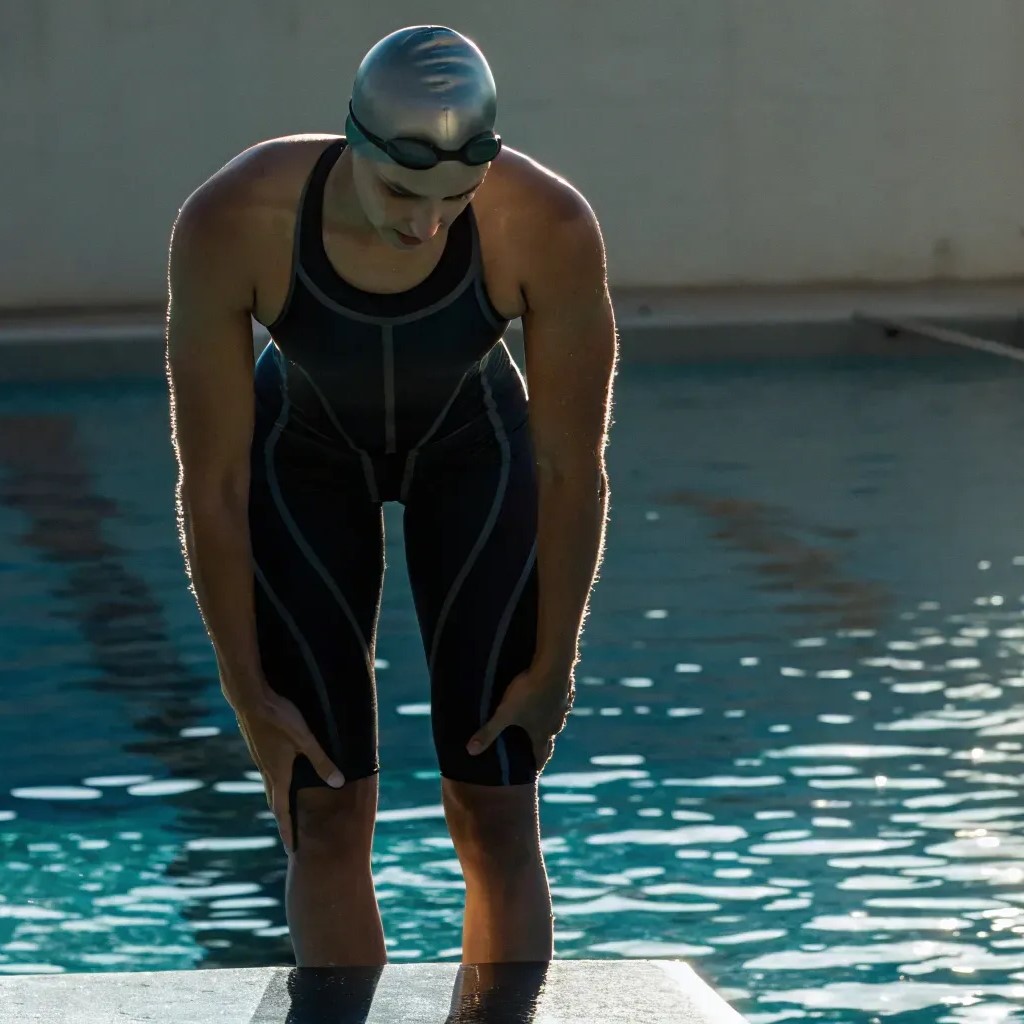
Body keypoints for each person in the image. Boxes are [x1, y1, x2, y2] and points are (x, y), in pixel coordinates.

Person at [165, 24, 616, 968]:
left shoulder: (548, 223)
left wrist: (557, 662)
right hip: (305, 462)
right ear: (353, 144)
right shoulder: (235, 216)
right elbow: (213, 480)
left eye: (458, 196)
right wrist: (246, 691)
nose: (427, 224)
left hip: (473, 455)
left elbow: (572, 467)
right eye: (403, 191)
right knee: (322, 810)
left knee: (496, 806)